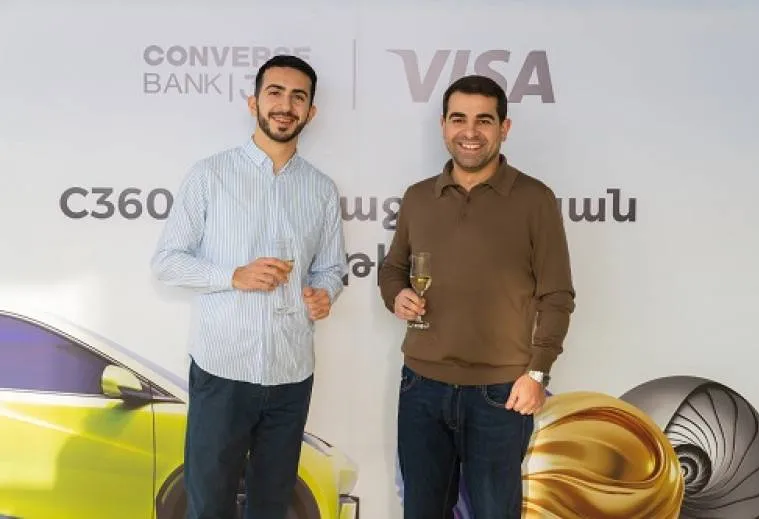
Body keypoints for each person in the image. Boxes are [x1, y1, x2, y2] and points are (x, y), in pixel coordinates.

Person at [151, 55, 346, 519]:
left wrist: (324, 293)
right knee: (209, 504)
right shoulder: (210, 175)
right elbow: (167, 262)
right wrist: (232, 276)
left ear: (311, 111)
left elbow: (331, 268)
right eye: (275, 93)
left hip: (291, 373)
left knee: (273, 505)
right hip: (223, 370)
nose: (285, 105)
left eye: (298, 97)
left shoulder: (321, 189)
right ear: (253, 102)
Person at [378, 74, 575, 518]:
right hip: (421, 387)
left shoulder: (535, 199)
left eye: (484, 120)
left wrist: (537, 373)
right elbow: (392, 269)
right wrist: (397, 294)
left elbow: (557, 295)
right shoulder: (418, 197)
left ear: (504, 128)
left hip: (502, 393)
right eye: (458, 119)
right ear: (443, 126)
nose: (470, 132)